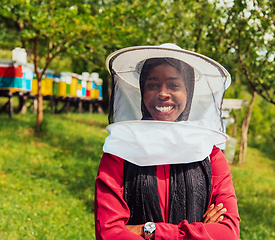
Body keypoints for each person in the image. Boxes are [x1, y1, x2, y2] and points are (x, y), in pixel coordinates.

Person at [95, 44, 240, 240]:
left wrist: (148, 231)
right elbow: (108, 232)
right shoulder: (119, 150)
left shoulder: (209, 153)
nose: (163, 93)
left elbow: (228, 233)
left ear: (188, 93)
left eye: (174, 85)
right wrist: (199, 232)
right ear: (142, 92)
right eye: (153, 85)